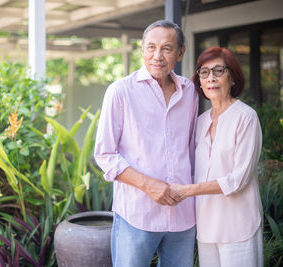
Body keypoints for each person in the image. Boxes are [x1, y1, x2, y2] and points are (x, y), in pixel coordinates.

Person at [94, 20, 198, 267]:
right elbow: (105, 154)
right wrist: (149, 185)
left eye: (167, 48)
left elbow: (191, 149)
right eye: (151, 47)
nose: (157, 56)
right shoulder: (120, 91)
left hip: (183, 215)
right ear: (141, 49)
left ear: (181, 52)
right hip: (137, 214)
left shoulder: (190, 91)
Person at [171, 46, 263, 267]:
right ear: (200, 82)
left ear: (232, 77)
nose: (210, 78)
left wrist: (188, 190)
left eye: (218, 71)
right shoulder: (200, 121)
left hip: (238, 225)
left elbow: (238, 179)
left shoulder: (246, 117)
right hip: (206, 227)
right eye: (204, 72)